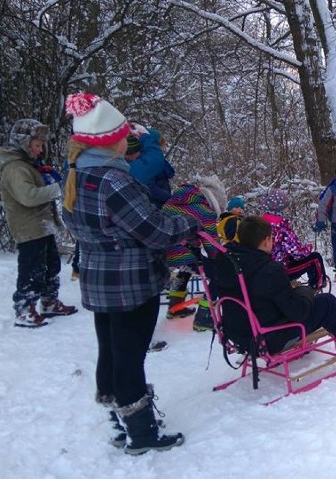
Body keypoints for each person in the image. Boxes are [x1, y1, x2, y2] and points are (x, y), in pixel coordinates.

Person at [61, 92, 200, 455]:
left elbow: (77, 225)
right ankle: (140, 432)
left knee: (111, 348)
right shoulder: (114, 181)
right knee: (130, 355)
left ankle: (118, 416)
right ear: (110, 140)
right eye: (124, 134)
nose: (129, 139)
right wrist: (187, 223)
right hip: (130, 283)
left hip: (99, 278)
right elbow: (153, 229)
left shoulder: (77, 175)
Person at [220, 215, 336, 361]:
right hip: (270, 338)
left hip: (240, 335)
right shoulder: (270, 270)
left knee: (291, 295)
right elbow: (298, 312)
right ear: (266, 241)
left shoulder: (227, 264)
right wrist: (306, 292)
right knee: (327, 302)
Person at [0, 118, 78, 328]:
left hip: (41, 225)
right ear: (24, 144)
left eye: (42, 145)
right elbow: (28, 196)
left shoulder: (29, 165)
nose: (41, 150)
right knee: (32, 269)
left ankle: (49, 301)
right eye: (37, 145)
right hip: (28, 228)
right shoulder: (15, 168)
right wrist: (58, 188)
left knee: (51, 265)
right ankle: (24, 309)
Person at [162, 176, 227, 326]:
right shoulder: (206, 212)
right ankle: (204, 317)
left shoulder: (174, 201)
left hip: (163, 250)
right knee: (218, 274)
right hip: (182, 252)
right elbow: (212, 246)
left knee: (187, 268)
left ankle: (174, 307)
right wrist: (221, 259)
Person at [260, 188, 327, 291]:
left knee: (290, 257)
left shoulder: (261, 222)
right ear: (279, 209)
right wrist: (307, 248)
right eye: (286, 207)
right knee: (315, 258)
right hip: (280, 271)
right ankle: (316, 287)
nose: (288, 209)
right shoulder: (281, 227)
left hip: (266, 267)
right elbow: (296, 251)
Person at [127, 126, 175, 206]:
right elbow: (149, 187)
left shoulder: (147, 161)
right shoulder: (144, 163)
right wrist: (170, 199)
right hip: (154, 204)